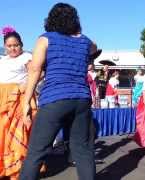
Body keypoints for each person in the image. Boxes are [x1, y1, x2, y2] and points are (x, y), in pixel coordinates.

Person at [20, 3, 96, 180]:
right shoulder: (84, 40)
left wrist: (26, 102)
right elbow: (94, 47)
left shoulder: (45, 39)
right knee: (83, 151)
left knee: (36, 152)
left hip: (55, 99)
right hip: (82, 100)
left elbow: (34, 70)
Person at [0, 26, 37, 180]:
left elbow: (38, 73)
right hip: (3, 98)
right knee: (3, 132)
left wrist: (24, 86)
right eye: (9, 46)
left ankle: (18, 171)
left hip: (20, 98)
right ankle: (5, 168)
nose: (13, 48)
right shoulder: (3, 59)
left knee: (18, 133)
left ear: (21, 44)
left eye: (16, 45)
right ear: (5, 46)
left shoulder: (27, 57)